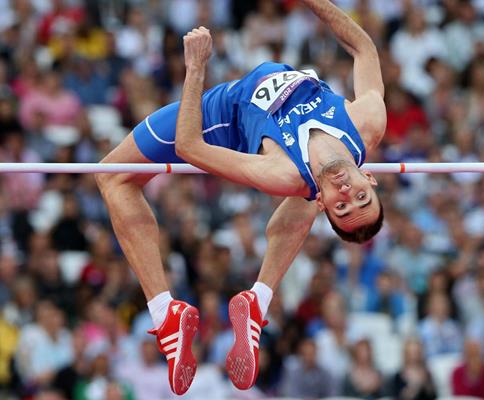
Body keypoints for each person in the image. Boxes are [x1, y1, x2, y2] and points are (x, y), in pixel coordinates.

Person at [95, 0, 386, 395]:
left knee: (112, 177)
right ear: (369, 178)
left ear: (324, 203)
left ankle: (166, 314)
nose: (347, 193)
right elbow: (363, 48)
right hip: (276, 127)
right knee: (302, 192)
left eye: (340, 206)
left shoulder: (284, 173)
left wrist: (196, 66)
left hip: (221, 114)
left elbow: (189, 145)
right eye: (361, 198)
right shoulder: (367, 122)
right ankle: (256, 302)